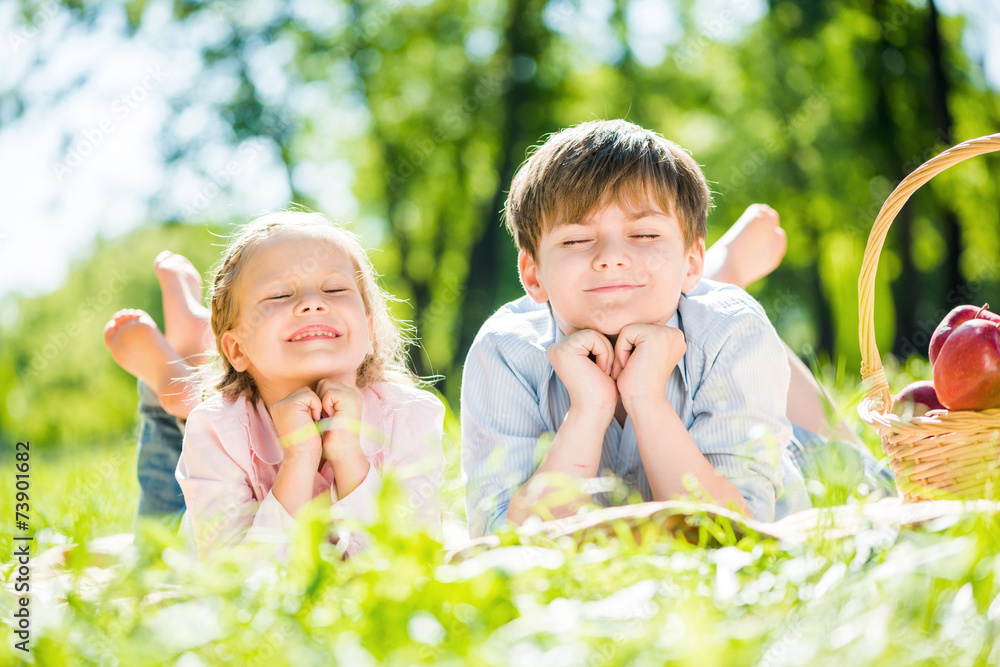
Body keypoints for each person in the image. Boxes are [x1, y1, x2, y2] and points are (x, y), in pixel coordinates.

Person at [461, 119, 892, 538]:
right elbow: (502, 542)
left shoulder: (731, 329)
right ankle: (720, 271)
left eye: (645, 235)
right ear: (532, 274)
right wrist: (588, 410)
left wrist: (646, 400)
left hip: (811, 467)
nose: (611, 257)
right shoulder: (505, 351)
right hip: (689, 306)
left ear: (690, 263)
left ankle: (719, 277)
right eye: (576, 240)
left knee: (852, 459)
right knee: (710, 313)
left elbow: (735, 533)